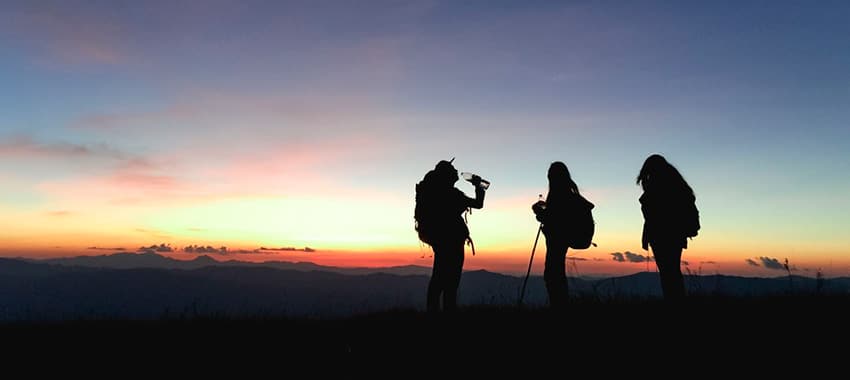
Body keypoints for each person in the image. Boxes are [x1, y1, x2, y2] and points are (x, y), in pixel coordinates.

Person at [417, 159, 486, 312]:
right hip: (452, 241)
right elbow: (478, 204)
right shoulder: (451, 194)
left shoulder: (436, 193)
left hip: (440, 240)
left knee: (439, 276)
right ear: (447, 175)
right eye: (453, 170)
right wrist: (478, 185)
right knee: (451, 279)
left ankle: (433, 311)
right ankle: (448, 311)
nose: (456, 172)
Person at [637, 154, 697, 300]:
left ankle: (674, 300)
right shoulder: (676, 184)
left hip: (662, 235)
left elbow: (653, 214)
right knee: (672, 271)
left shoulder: (657, 186)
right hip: (675, 235)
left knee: (668, 272)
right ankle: (676, 299)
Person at [532, 161, 591, 309]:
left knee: (553, 274)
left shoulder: (559, 195)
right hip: (563, 238)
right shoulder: (569, 195)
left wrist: (538, 212)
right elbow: (556, 218)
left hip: (558, 239)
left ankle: (559, 307)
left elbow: (555, 220)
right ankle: (560, 306)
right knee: (554, 272)